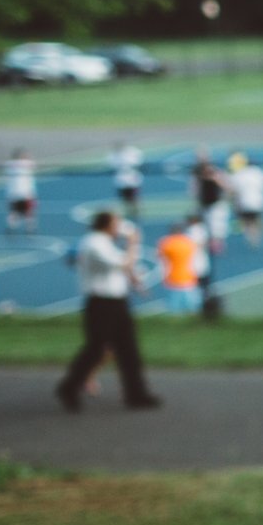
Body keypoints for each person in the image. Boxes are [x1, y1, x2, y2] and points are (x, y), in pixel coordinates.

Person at [55, 211, 159, 411]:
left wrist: (134, 280)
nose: (119, 227)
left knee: (128, 349)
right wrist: (132, 242)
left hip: (116, 302)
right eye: (116, 223)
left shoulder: (103, 243)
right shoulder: (94, 244)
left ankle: (136, 394)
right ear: (106, 225)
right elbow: (123, 263)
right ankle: (69, 387)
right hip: (101, 303)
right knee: (97, 348)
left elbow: (123, 265)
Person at [157, 219, 203, 315]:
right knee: (194, 310)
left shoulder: (166, 243)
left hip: (172, 280)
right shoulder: (189, 242)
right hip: (189, 279)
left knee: (173, 312)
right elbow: (196, 260)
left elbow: (161, 261)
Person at [192, 150, 231, 256]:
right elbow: (195, 190)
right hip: (205, 204)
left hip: (216, 203)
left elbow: (227, 188)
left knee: (217, 227)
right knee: (205, 226)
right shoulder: (198, 175)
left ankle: (217, 245)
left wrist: (216, 179)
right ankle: (210, 245)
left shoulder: (217, 174)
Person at [228, 151, 263, 247]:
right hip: (259, 202)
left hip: (244, 202)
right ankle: (256, 235)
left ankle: (250, 235)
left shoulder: (239, 174)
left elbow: (234, 190)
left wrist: (233, 202)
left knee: (247, 221)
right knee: (257, 219)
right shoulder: (261, 173)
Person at [2, 149, 37, 236]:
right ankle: (30, 230)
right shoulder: (26, 164)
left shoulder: (8, 165)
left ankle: (11, 228)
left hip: (13, 193)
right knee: (28, 211)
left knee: (14, 211)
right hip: (25, 192)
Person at [110, 140, 144, 221]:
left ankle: (135, 213)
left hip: (132, 180)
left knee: (134, 197)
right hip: (121, 181)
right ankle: (125, 214)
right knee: (124, 198)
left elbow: (138, 164)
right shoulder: (114, 155)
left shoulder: (133, 152)